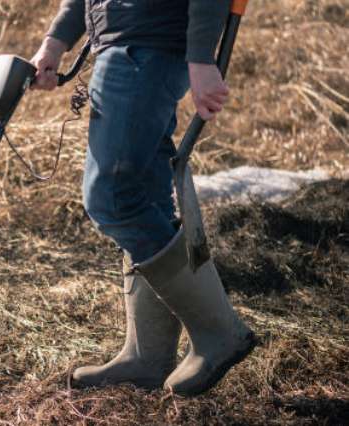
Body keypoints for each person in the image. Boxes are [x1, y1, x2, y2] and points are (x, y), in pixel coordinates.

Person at [31, 0, 256, 396]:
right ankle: (147, 357)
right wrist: (55, 40)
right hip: (127, 46)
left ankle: (219, 332)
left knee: (113, 197)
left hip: (146, 46)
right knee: (144, 196)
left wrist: (202, 57)